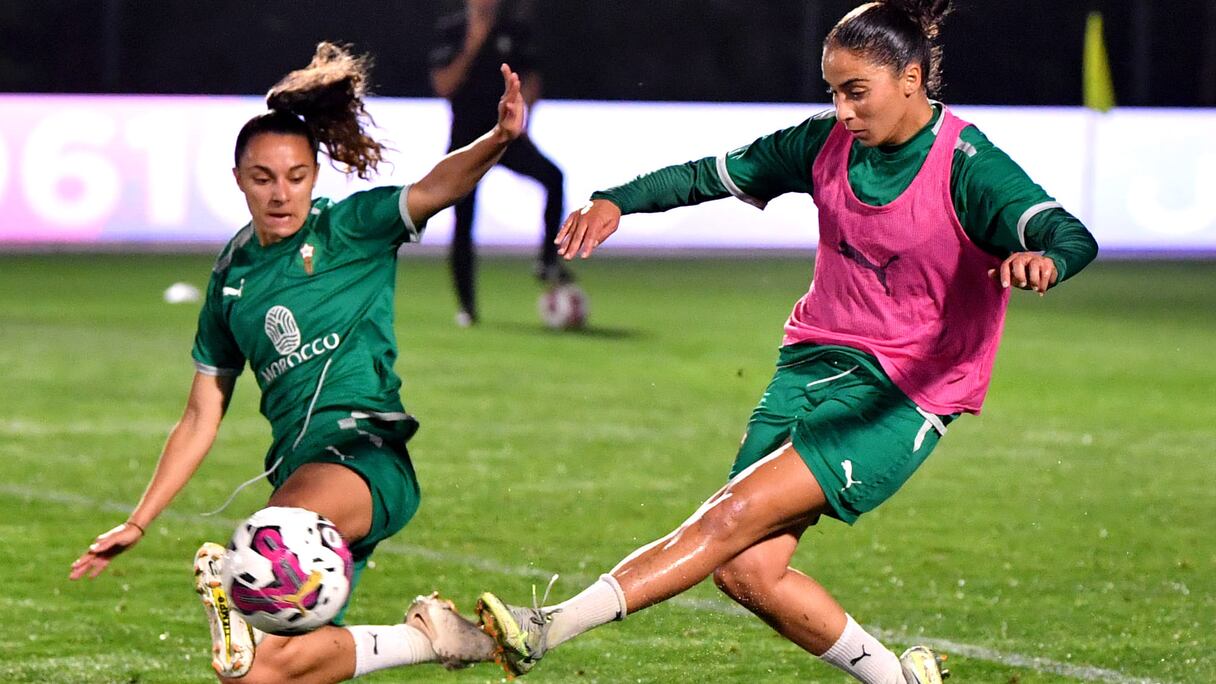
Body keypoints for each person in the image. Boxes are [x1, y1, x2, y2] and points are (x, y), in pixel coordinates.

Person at [473, 1, 1099, 682]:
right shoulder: (822, 143)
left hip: (900, 396)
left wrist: (1046, 260)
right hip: (809, 365)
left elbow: (1068, 234)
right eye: (833, 92)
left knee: (729, 519)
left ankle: (546, 627)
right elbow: (708, 175)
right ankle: (898, 679)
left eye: (856, 92)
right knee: (746, 570)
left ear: (911, 79)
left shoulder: (968, 164)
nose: (842, 111)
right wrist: (615, 199)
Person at [69, 42, 528, 683]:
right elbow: (201, 415)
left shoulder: (350, 229)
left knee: (277, 537)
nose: (281, 194)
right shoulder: (232, 279)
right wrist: (139, 521)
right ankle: (426, 638)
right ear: (238, 179)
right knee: (260, 670)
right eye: (263, 179)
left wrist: (498, 140)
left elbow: (435, 187)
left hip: (365, 457)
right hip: (298, 473)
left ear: (315, 175)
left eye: (297, 176)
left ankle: (247, 568)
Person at [430, 0, 571, 327]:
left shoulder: (514, 31)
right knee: (463, 221)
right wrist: (473, 44)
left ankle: (548, 259)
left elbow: (531, 79)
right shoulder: (453, 30)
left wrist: (523, 119)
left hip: (505, 138)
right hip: (466, 143)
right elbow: (444, 85)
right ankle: (467, 307)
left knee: (553, 177)